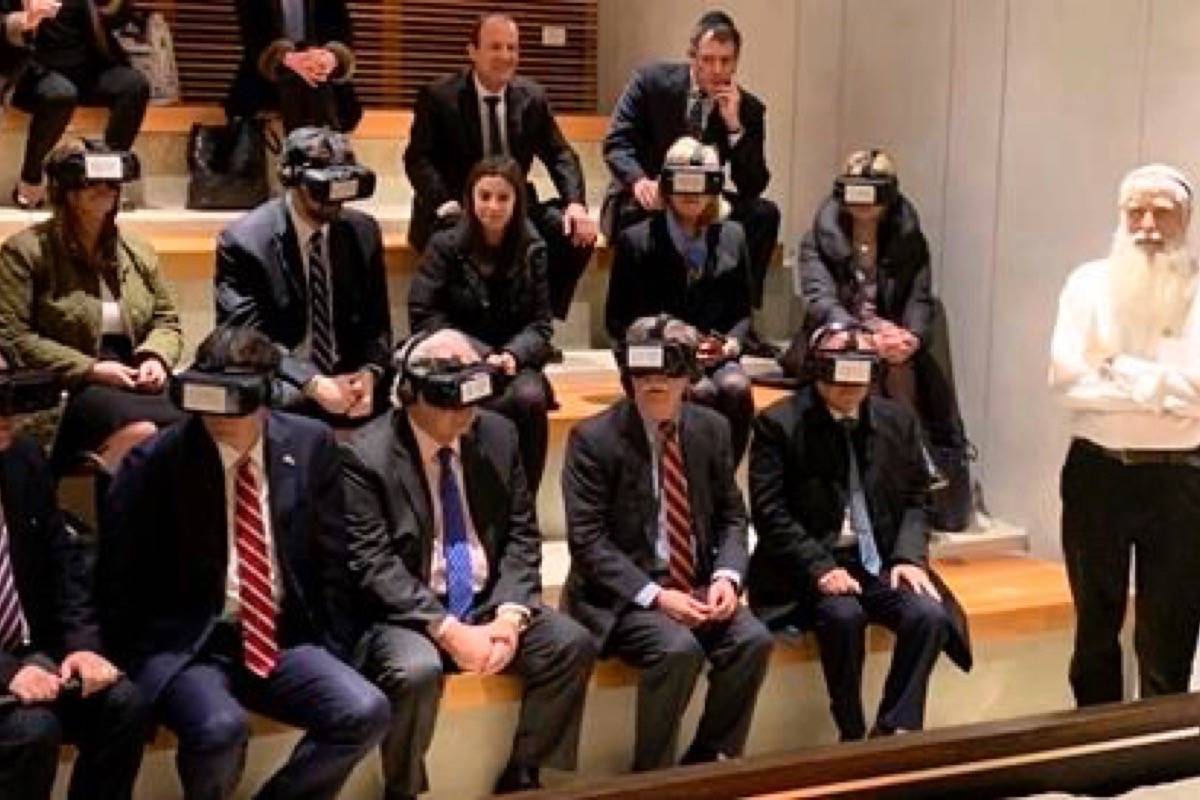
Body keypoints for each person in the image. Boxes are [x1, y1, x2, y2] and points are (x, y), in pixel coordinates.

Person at [97, 326, 390, 799]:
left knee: (364, 709)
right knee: (220, 730)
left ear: (267, 392)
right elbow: (118, 579)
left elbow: (334, 557)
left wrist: (335, 650)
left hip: (281, 636)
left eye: (233, 399)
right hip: (191, 645)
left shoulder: (311, 443)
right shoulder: (155, 461)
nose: (219, 415)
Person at [342, 329, 595, 797]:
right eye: (450, 403)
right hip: (408, 615)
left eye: (472, 399)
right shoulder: (364, 455)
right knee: (415, 671)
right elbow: (373, 565)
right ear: (409, 394)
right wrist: (449, 631)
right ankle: (403, 789)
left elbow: (522, 534)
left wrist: (509, 616)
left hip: (485, 601)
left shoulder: (498, 435)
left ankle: (525, 771)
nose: (465, 414)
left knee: (570, 644)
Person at [561, 315, 773, 771]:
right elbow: (589, 543)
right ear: (627, 375)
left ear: (688, 377)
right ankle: (653, 777)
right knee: (678, 650)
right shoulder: (592, 440)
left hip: (694, 585)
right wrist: (657, 597)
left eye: (668, 371)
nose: (656, 383)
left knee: (752, 638)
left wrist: (727, 576)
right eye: (644, 372)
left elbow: (733, 517)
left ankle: (710, 759)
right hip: (624, 598)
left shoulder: (712, 429)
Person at [747, 323, 971, 741]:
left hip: (880, 558)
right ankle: (850, 731)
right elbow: (770, 512)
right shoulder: (779, 424)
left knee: (928, 614)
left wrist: (908, 557)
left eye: (860, 373)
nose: (850, 386)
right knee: (843, 616)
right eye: (838, 374)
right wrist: (820, 569)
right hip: (809, 565)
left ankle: (893, 729)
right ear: (817, 370)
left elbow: (917, 499)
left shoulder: (897, 419)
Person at [1049, 164, 1200, 706]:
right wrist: (1169, 393)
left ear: (1186, 219)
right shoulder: (1087, 284)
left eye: (1162, 212)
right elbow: (1066, 381)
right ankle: (1095, 762)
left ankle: (1158, 763)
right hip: (1098, 471)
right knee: (1095, 625)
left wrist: (1118, 368)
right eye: (1135, 210)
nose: (1148, 225)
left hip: (1182, 480)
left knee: (1171, 629)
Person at [0, 362, 149, 800]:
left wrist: (82, 645)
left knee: (124, 706)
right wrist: (8, 673)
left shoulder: (23, 458)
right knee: (32, 730)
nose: (8, 412)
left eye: (8, 393)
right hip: (8, 668)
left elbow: (64, 564)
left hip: (33, 652)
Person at [0, 139, 184, 475]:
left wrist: (155, 356)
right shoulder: (25, 252)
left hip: (135, 372)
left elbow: (165, 320)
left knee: (194, 409)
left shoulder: (137, 250)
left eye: (112, 183)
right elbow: (15, 337)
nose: (105, 190)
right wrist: (91, 368)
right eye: (93, 183)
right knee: (138, 422)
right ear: (66, 191)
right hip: (71, 383)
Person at [404, 11, 596, 320]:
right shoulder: (439, 96)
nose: (505, 56)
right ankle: (464, 330)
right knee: (461, 239)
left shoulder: (532, 96)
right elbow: (417, 159)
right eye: (495, 47)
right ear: (473, 52)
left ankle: (540, 323)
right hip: (454, 205)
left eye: (512, 48)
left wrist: (576, 204)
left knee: (573, 233)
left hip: (512, 204)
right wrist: (445, 203)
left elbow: (560, 154)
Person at [602, 10, 779, 318]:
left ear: (736, 61)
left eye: (726, 61)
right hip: (650, 192)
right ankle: (642, 318)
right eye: (708, 60)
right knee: (636, 217)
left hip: (703, 200)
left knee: (764, 215)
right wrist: (638, 180)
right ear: (692, 56)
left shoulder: (748, 108)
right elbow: (617, 143)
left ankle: (739, 317)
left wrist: (735, 128)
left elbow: (753, 184)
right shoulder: (650, 82)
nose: (717, 70)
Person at [215, 126, 392, 427]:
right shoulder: (244, 241)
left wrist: (370, 373)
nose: (334, 201)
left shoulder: (363, 231)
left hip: (348, 376)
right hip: (282, 374)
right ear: (292, 181)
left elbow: (377, 325)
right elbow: (246, 339)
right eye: (323, 190)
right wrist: (312, 382)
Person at [795, 148, 966, 457]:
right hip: (836, 331)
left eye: (872, 192)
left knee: (901, 366)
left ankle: (912, 457)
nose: (862, 200)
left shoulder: (910, 240)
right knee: (865, 364)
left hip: (892, 334)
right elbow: (820, 299)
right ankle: (882, 455)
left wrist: (911, 337)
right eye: (854, 190)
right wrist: (862, 336)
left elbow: (919, 297)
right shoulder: (817, 238)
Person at [408, 155, 556, 495]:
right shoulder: (444, 244)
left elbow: (541, 324)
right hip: (455, 359)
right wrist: (474, 353)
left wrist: (511, 355)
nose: (493, 206)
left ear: (517, 201)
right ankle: (472, 499)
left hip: (511, 361)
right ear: (470, 199)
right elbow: (423, 312)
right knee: (474, 396)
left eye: (503, 197)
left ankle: (523, 503)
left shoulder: (533, 248)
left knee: (531, 399)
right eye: (484, 196)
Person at [605, 137, 754, 462]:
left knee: (735, 389)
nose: (691, 193)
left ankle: (722, 478)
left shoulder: (733, 236)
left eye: (701, 183)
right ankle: (688, 479)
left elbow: (742, 311)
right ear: (667, 185)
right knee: (699, 392)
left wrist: (729, 345)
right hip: (658, 356)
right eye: (682, 182)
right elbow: (617, 319)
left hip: (714, 355)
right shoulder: (636, 239)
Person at [10, 0, 148, 209]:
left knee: (134, 86)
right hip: (33, 73)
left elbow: (115, 20)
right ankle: (30, 179)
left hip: (87, 71)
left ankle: (106, 176)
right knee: (61, 94)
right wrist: (24, 21)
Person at [226, 0, 362, 133]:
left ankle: (316, 148)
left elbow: (340, 30)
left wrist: (330, 57)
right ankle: (313, 147)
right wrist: (286, 57)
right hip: (266, 80)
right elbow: (254, 35)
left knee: (316, 80)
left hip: (321, 76)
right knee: (296, 77)